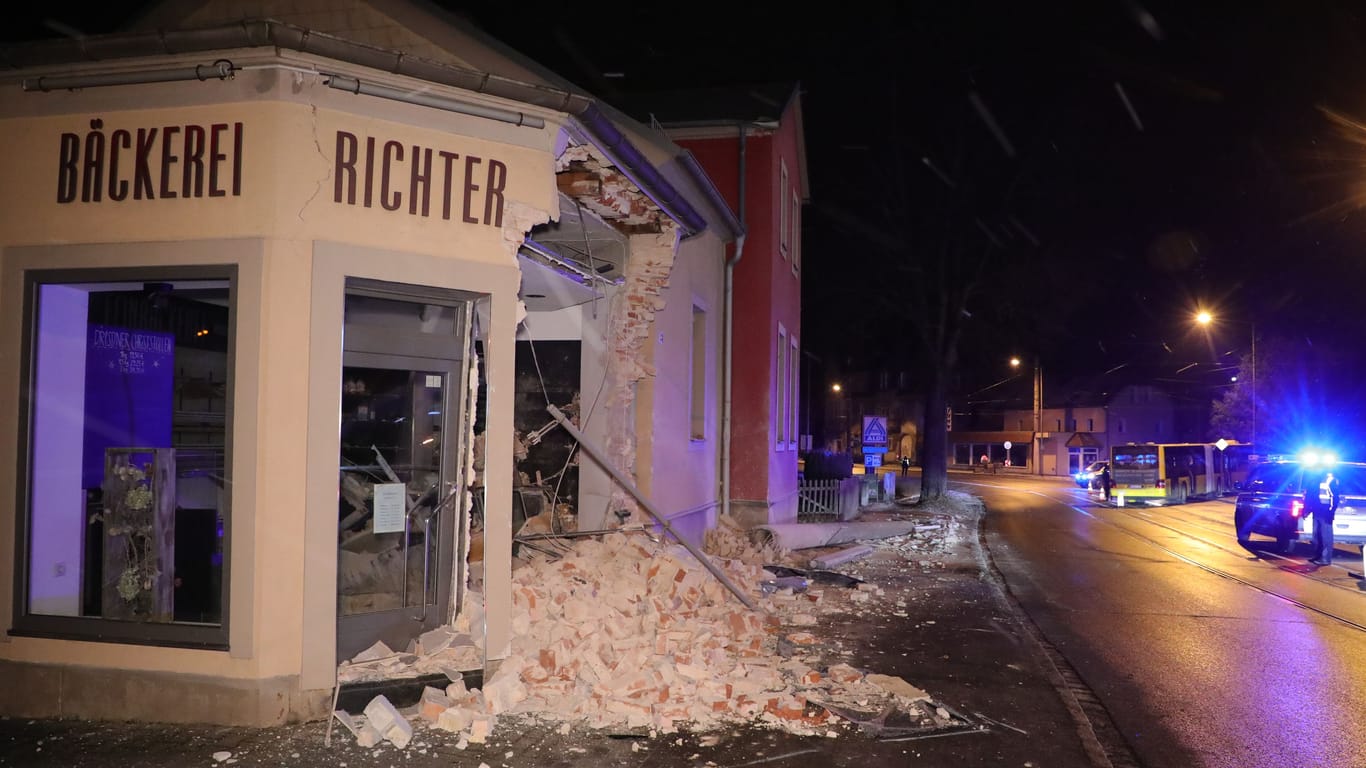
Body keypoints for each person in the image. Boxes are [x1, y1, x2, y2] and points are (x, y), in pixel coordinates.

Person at [1306, 469, 1342, 566]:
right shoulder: (1316, 479)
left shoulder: (1331, 480)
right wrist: (1307, 510)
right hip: (1317, 511)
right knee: (1316, 536)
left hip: (1326, 512)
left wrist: (1331, 511)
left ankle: (1325, 558)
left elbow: (1335, 497)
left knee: (1326, 536)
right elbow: (1311, 495)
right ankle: (1318, 556)